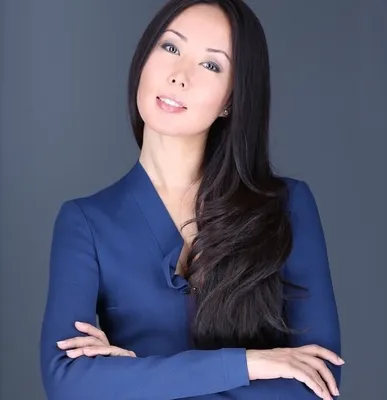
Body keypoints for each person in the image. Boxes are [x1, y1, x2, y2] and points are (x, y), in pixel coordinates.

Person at [40, 0, 343, 399]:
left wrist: (134, 376)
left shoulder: (286, 207)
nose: (179, 76)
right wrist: (250, 363)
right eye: (170, 47)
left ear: (231, 99)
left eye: (211, 65)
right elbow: (66, 381)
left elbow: (318, 382)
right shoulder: (86, 222)